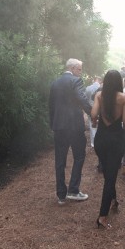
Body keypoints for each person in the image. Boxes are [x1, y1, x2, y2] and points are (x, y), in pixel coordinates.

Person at [49, 58, 92, 204]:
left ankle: (61, 195)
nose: (80, 72)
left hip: (59, 127)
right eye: (79, 69)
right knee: (79, 156)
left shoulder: (55, 83)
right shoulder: (76, 81)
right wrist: (93, 114)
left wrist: (53, 125)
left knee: (60, 160)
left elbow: (51, 107)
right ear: (73, 68)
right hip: (74, 127)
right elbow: (82, 99)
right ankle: (73, 190)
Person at [91, 69, 125, 229]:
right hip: (115, 139)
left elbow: (93, 115)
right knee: (110, 178)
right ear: (119, 82)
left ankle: (113, 201)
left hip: (100, 139)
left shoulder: (99, 96)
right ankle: (102, 216)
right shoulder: (124, 98)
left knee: (108, 172)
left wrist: (95, 123)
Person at [85, 75, 102, 148]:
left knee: (92, 125)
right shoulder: (101, 88)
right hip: (100, 109)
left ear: (94, 80)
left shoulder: (88, 88)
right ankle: (99, 141)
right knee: (100, 125)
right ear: (100, 80)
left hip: (90, 109)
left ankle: (93, 143)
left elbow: (85, 99)